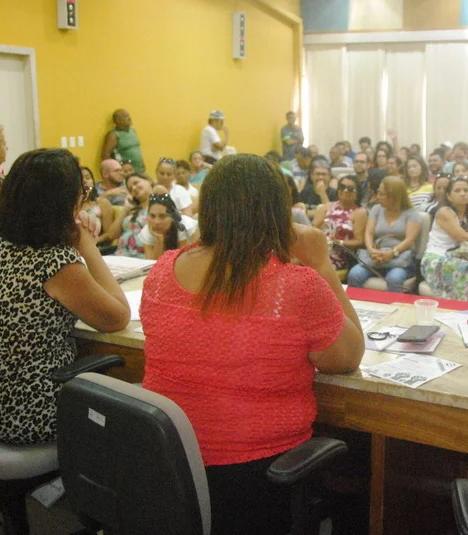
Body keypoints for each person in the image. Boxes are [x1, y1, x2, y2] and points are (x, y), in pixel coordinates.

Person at [139, 154, 364, 534]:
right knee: (358, 471)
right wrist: (321, 264)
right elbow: (349, 355)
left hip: (168, 471)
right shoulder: (297, 286)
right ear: (278, 214)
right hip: (257, 482)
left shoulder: (163, 270)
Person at [0, 148, 130, 445]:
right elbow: (118, 317)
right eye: (81, 194)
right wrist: (86, 244)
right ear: (63, 202)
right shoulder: (55, 264)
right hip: (31, 416)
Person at [347, 176, 421, 293]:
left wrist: (392, 253)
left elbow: (409, 240)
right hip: (377, 255)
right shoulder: (376, 209)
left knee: (394, 278)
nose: (378, 196)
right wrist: (371, 250)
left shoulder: (412, 213)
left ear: (393, 196)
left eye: (381, 194)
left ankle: (394, 304)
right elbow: (369, 233)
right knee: (354, 274)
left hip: (400, 258)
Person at [313, 175, 366, 270]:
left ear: (357, 192)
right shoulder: (326, 207)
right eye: (342, 187)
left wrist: (339, 242)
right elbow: (313, 230)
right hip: (319, 248)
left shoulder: (360, 212)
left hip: (339, 254)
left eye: (350, 189)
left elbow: (359, 242)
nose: (345, 190)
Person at [139, 189, 198, 260]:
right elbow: (151, 263)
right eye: (152, 216)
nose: (156, 222)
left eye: (162, 216)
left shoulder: (184, 226)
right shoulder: (147, 231)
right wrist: (159, 240)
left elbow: (185, 260)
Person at [108, 173, 154, 258]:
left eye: (136, 183)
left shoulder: (158, 207)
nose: (134, 188)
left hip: (143, 257)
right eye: (130, 189)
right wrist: (125, 209)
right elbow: (112, 235)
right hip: (121, 256)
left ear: (149, 181)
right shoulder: (131, 210)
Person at [80, 166, 114, 244]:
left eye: (88, 178)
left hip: (97, 245)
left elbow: (108, 234)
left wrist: (89, 243)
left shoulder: (102, 203)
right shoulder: (70, 205)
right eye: (80, 179)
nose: (84, 181)